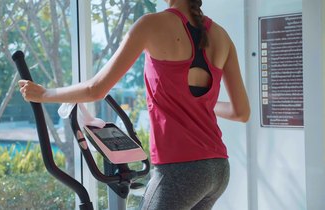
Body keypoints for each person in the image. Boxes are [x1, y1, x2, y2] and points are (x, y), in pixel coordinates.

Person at [18, 0, 250, 209]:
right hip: (218, 169)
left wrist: (45, 93)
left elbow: (96, 89)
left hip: (180, 169)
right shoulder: (221, 35)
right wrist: (200, 104)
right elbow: (241, 112)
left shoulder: (151, 25)